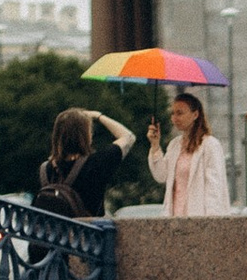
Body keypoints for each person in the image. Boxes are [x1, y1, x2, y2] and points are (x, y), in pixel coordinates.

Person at [33, 105, 134, 217]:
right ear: (86, 135)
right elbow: (128, 137)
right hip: (86, 232)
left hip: (51, 233)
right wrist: (98, 116)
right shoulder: (97, 162)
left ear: (56, 135)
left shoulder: (44, 169)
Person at [147, 84, 229, 217]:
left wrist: (212, 221)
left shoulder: (210, 145)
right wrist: (155, 146)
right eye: (173, 113)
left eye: (180, 113)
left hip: (199, 217)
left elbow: (214, 187)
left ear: (195, 114)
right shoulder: (174, 145)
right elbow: (161, 176)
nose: (174, 118)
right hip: (174, 217)